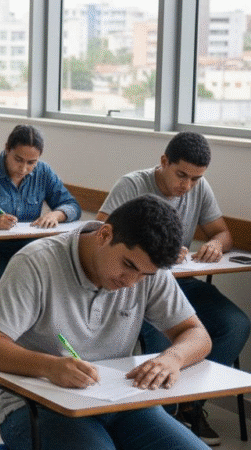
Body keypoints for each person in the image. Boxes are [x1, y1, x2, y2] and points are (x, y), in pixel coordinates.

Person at [0, 195, 212, 450]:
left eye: (144, 275)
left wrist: (173, 358)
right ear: (104, 234)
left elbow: (197, 334)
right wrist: (49, 366)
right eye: (127, 265)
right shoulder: (37, 263)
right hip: (37, 406)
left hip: (118, 401)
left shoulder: (147, 270)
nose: (131, 282)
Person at [96, 131, 250, 445]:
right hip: (141, 282)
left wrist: (214, 246)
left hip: (184, 282)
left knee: (234, 323)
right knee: (160, 335)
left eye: (195, 179)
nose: (187, 186)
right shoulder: (133, 184)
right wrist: (156, 251)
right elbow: (100, 231)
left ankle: (190, 406)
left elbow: (222, 232)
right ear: (164, 162)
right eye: (182, 175)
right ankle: (161, 414)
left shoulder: (199, 187)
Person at [0, 124, 81, 284]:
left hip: (28, 248)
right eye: (18, 160)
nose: (23, 168)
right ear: (7, 149)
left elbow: (71, 205)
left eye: (31, 162)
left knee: (53, 275)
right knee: (8, 280)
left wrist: (55, 215)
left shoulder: (43, 172)